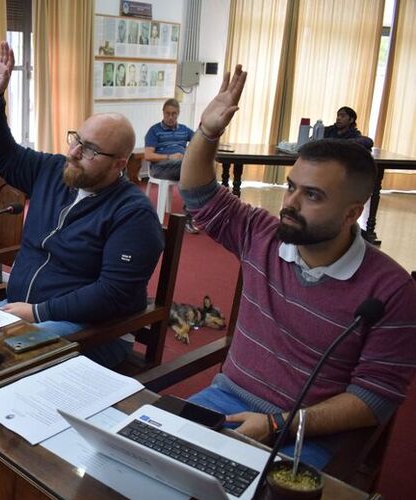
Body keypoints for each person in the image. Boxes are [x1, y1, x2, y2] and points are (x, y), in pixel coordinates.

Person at [179, 65, 416, 470]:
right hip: (224, 399)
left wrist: (276, 424)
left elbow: (373, 398)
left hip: (306, 433)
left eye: (312, 195)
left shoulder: (391, 290)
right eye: (290, 186)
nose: (289, 203)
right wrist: (207, 132)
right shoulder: (263, 234)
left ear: (351, 214)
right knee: (132, 467)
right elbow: (198, 194)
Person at [0, 42, 163, 368]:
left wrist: (38, 312)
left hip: (96, 329)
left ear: (119, 164)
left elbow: (111, 295)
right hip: (25, 308)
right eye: (76, 139)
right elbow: (2, 155)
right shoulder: (54, 170)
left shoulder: (134, 214)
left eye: (90, 149)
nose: (74, 153)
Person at [144, 98, 196, 232]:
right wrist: (169, 157)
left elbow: (199, 142)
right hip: (160, 167)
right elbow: (148, 156)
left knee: (193, 171)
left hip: (182, 167)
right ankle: (188, 217)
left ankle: (189, 215)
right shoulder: (154, 131)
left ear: (178, 113)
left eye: (174, 114)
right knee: (190, 169)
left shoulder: (184, 130)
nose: (170, 117)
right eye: (167, 113)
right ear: (163, 113)